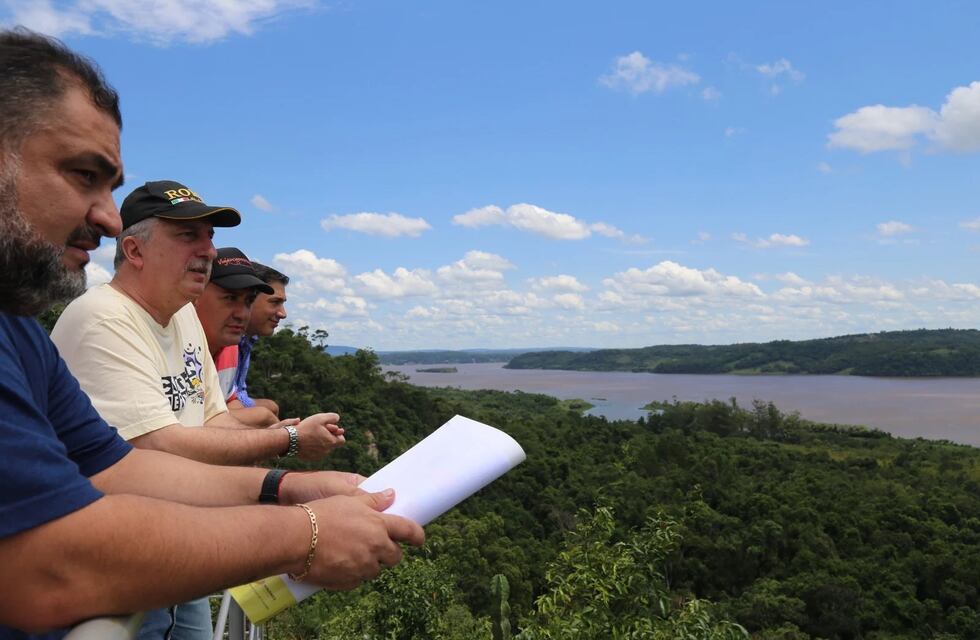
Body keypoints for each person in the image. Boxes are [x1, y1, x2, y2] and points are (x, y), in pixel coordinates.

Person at [0, 28, 424, 640]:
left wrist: (293, 488)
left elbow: (116, 468)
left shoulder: (18, 332)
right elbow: (47, 565)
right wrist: (303, 531)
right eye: (82, 174)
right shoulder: (94, 320)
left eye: (110, 187)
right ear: (137, 252)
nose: (106, 216)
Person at [51, 180, 344, 465]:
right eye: (188, 236)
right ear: (135, 251)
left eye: (210, 236)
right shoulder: (105, 318)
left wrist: (273, 436)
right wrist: (288, 441)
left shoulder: (183, 314)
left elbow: (214, 419)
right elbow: (157, 446)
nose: (210, 251)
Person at [194, 247, 282, 428]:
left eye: (248, 301)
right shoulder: (174, 349)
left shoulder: (230, 349)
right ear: (195, 296)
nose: (242, 314)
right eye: (230, 298)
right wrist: (284, 439)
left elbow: (230, 400)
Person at [228, 261, 289, 419]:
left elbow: (238, 392)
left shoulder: (246, 339)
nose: (283, 313)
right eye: (275, 302)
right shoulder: (224, 340)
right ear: (249, 299)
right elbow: (224, 402)